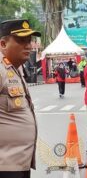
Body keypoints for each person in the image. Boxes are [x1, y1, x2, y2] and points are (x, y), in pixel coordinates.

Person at [0, 19, 41, 178]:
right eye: (21, 41)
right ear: (3, 44)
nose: (29, 46)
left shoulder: (14, 69)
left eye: (29, 41)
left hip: (18, 164)